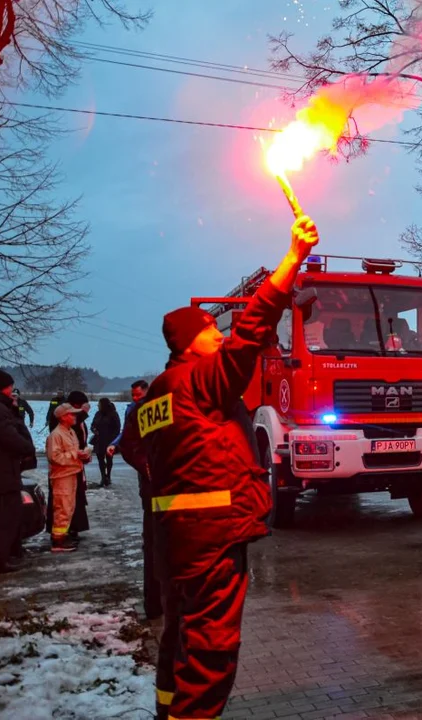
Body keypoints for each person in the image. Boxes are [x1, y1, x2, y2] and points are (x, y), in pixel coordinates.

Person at [144, 215, 319, 720]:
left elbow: (140, 453)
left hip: (174, 537)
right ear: (187, 344)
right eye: (207, 331)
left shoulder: (159, 393)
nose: (217, 335)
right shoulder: (202, 380)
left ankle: (167, 710)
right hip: (213, 535)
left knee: (178, 635)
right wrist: (292, 260)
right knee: (210, 651)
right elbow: (250, 331)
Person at [108, 379, 160, 621]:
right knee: (157, 547)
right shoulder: (147, 410)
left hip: (157, 493)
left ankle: (155, 604)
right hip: (163, 494)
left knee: (155, 548)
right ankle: (157, 604)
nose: (136, 399)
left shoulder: (149, 410)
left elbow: (130, 442)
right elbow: (129, 442)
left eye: (139, 395)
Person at [0, 370, 36, 575]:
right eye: (9, 387)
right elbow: (12, 438)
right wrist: (26, 447)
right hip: (0, 474)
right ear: (2, 387)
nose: (11, 391)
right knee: (3, 519)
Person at [46, 403, 90, 553]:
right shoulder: (56, 435)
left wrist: (83, 457)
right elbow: (54, 457)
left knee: (69, 507)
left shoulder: (69, 432)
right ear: (63, 417)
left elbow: (71, 452)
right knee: (62, 507)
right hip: (62, 476)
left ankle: (62, 535)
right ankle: (58, 540)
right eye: (72, 414)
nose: (75, 416)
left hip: (71, 474)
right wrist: (76, 455)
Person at [90, 397, 121, 487]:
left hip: (109, 440)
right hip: (99, 440)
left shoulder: (113, 414)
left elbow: (117, 427)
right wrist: (94, 429)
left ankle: (108, 476)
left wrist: (113, 440)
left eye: (99, 404)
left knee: (109, 459)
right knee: (100, 459)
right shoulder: (97, 414)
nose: (98, 406)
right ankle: (103, 477)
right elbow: (93, 424)